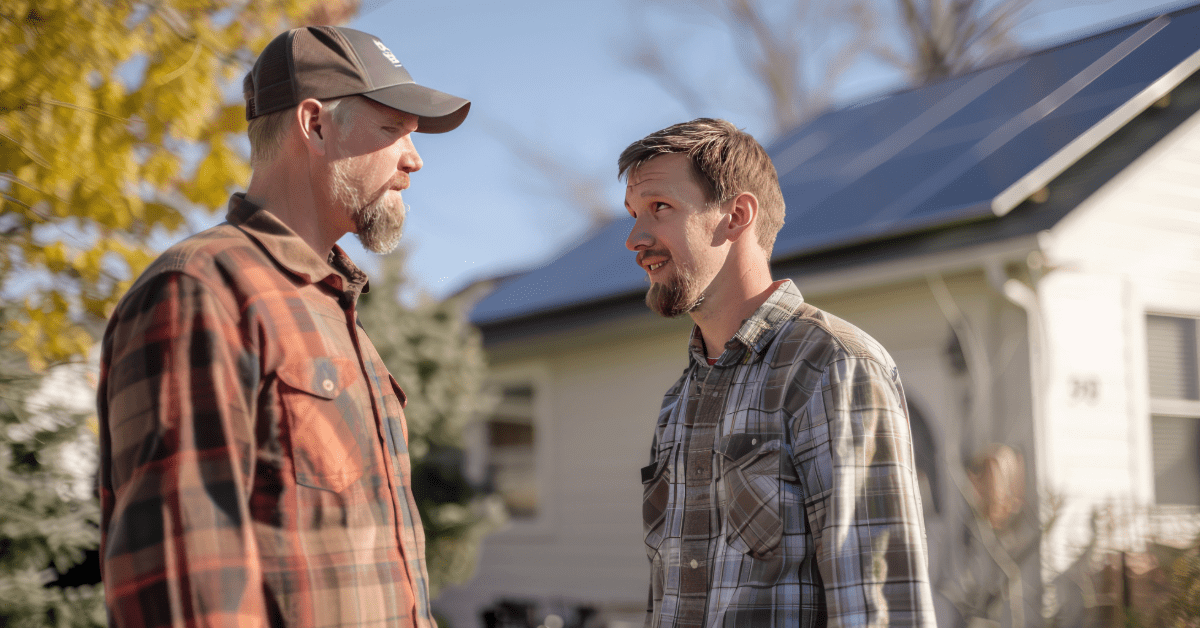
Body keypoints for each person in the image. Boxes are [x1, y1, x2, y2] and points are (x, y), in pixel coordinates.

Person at [96, 26, 469, 628]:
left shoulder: (336, 311)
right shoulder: (203, 290)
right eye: (392, 129)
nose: (414, 159)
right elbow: (186, 588)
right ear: (315, 124)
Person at [621, 118, 936, 627]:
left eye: (659, 208)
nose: (635, 238)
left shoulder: (833, 367)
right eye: (633, 215)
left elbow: (878, 608)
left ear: (737, 215)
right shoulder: (678, 402)